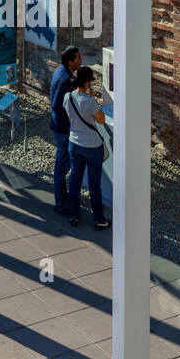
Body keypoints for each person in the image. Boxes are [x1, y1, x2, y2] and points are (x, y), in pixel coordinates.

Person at [64, 66, 111, 230]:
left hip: (74, 143)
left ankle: (74, 215)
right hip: (92, 146)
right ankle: (99, 219)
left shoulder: (67, 97)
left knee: (75, 180)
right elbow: (101, 120)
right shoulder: (90, 102)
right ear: (87, 82)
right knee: (94, 184)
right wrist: (93, 100)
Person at [49, 47, 84, 216]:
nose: (81, 60)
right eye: (78, 58)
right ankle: (61, 202)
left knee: (62, 164)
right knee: (62, 167)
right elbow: (57, 105)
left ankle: (62, 199)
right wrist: (69, 125)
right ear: (70, 62)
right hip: (63, 130)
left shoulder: (62, 72)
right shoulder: (64, 80)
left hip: (60, 127)